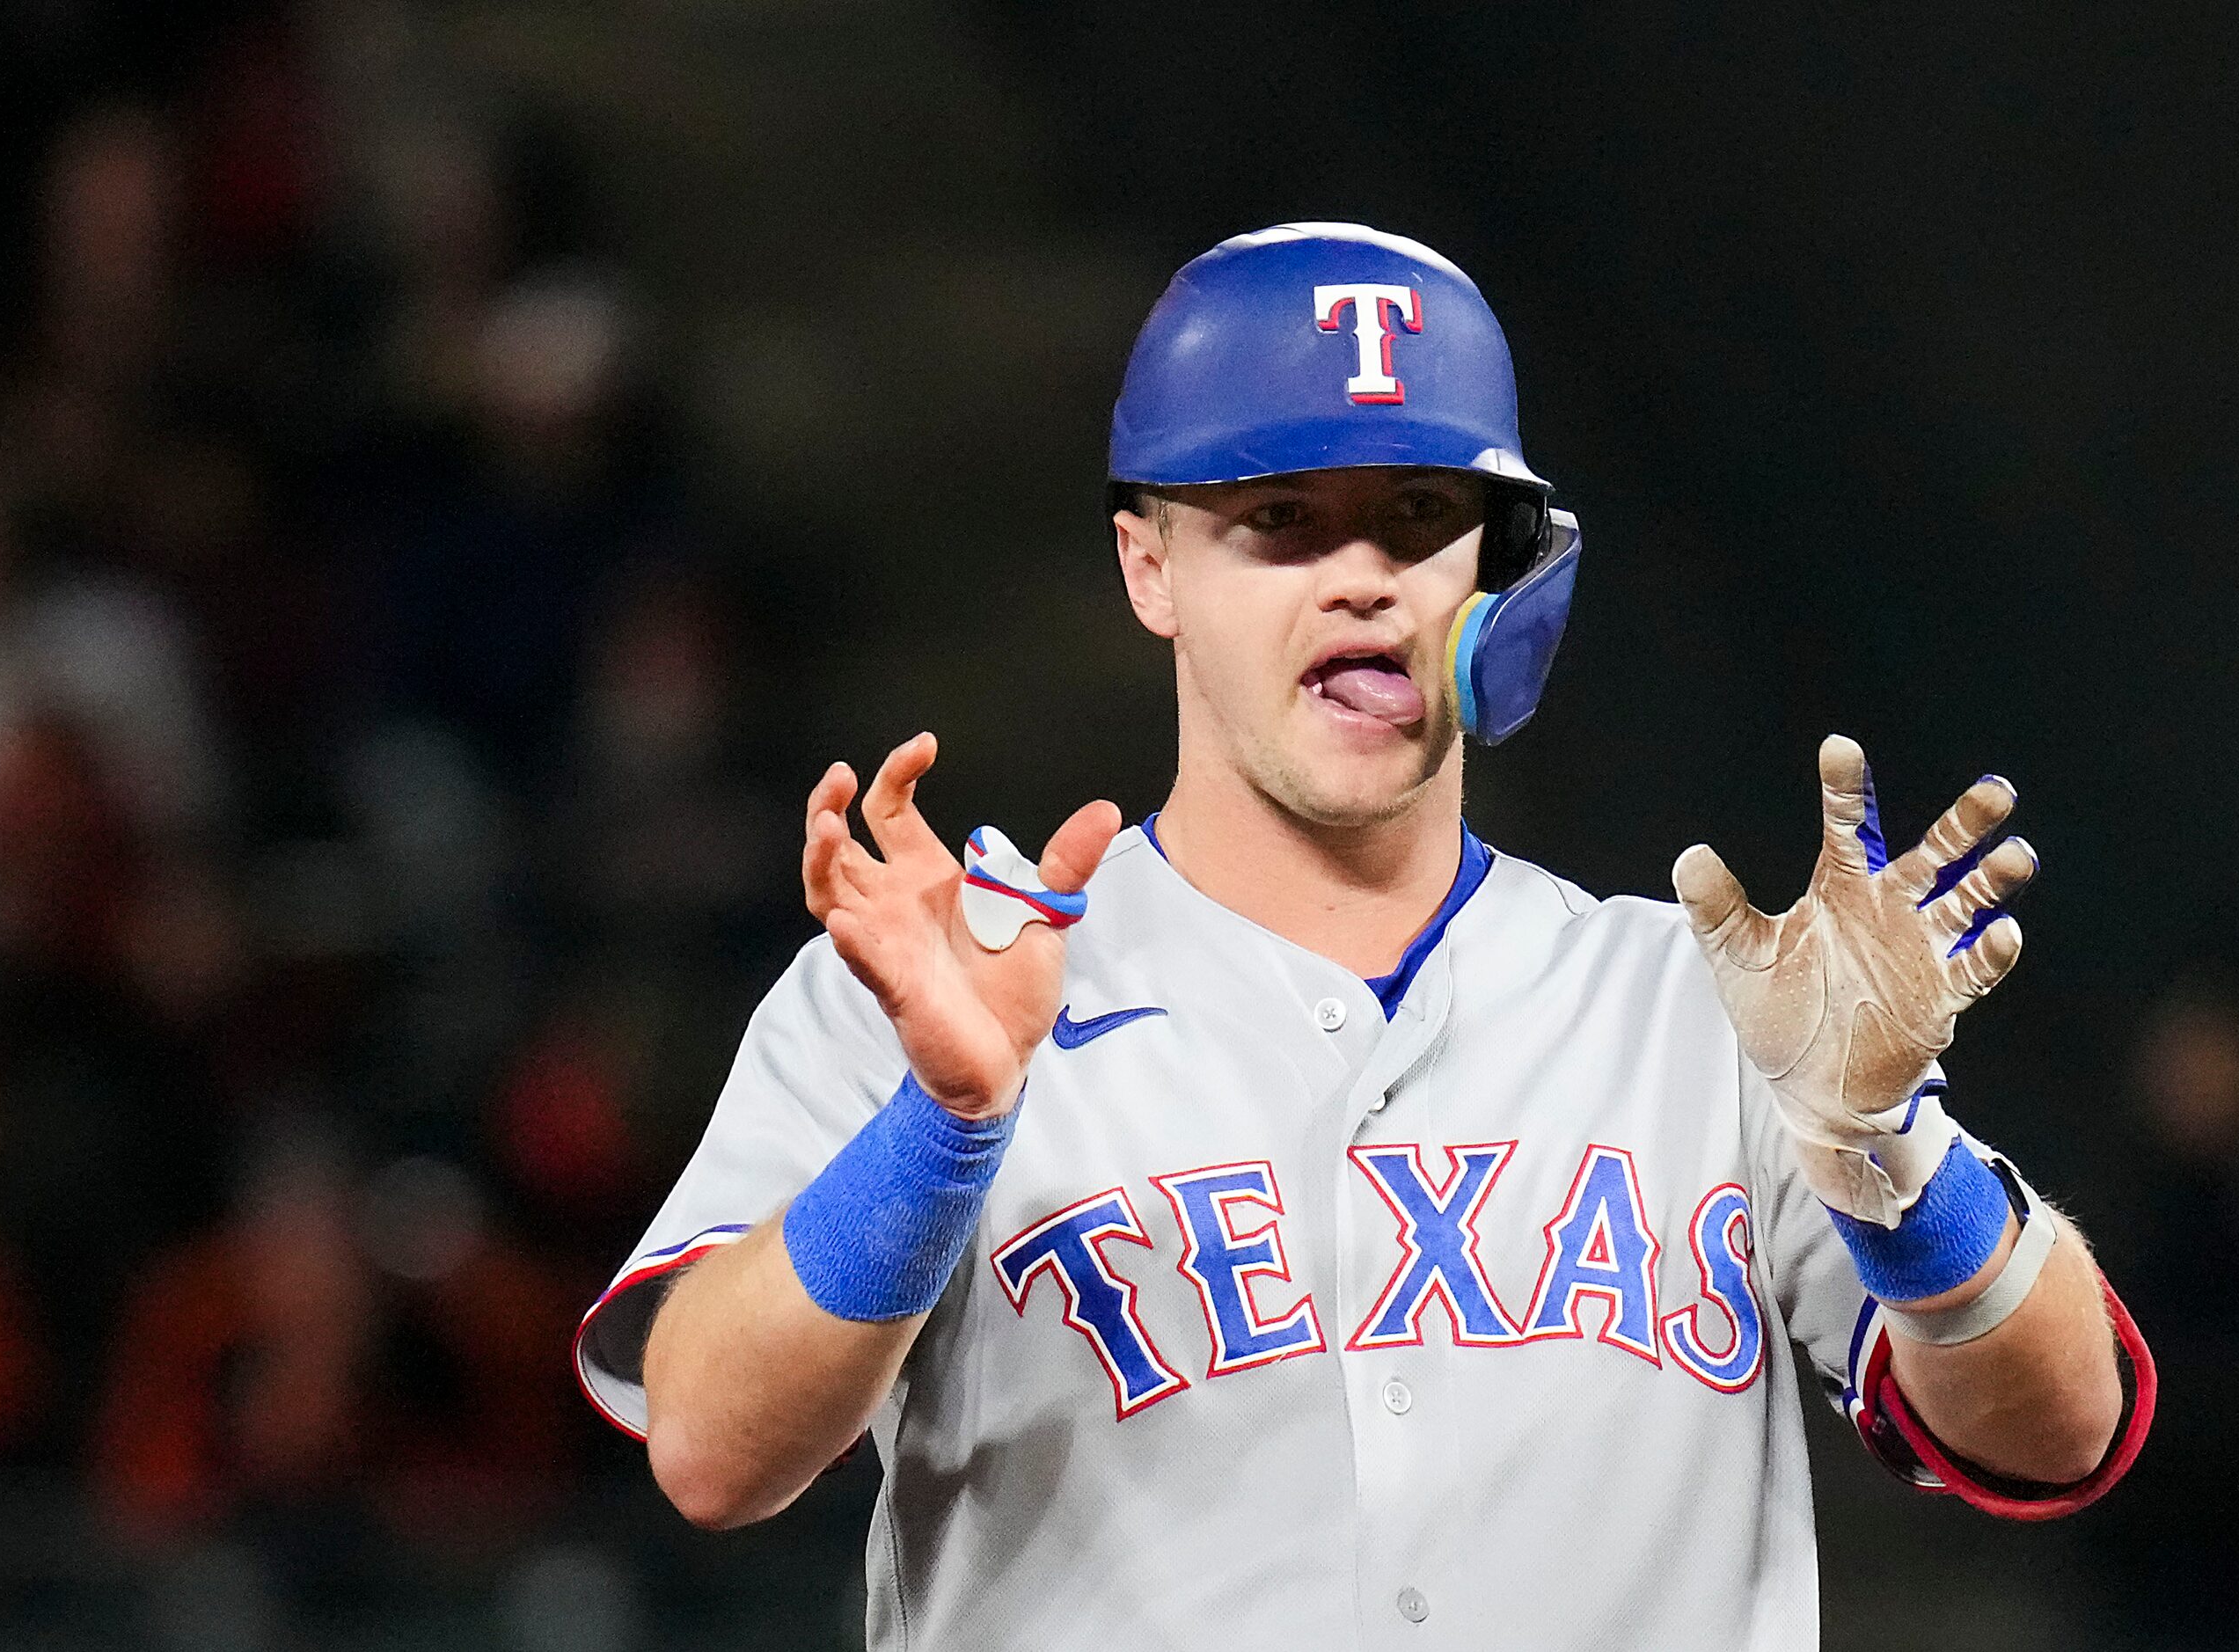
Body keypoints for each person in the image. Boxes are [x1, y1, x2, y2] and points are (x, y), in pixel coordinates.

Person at [574, 223, 2150, 1648]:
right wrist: (944, 1126)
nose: (1361, 582)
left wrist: (1884, 1147)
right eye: (1278, 520)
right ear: (1150, 567)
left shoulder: (1697, 1009)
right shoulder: (949, 983)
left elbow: (2058, 1430)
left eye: (1415, 516)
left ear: (1500, 571)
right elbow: (711, 1450)